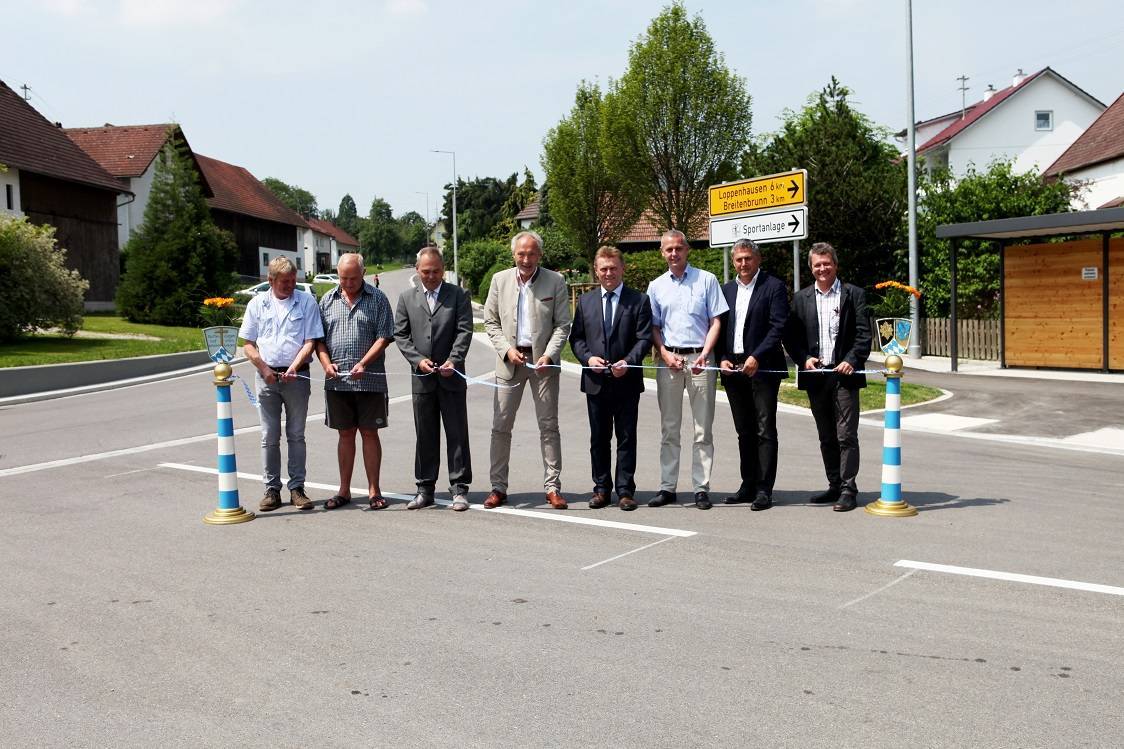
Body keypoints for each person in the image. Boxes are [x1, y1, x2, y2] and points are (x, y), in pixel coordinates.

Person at [483, 230, 572, 510]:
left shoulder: (556, 281)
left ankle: (553, 487)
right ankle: (498, 487)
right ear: (514, 255)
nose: (526, 258)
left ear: (540, 255)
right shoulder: (500, 280)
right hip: (510, 362)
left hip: (543, 364)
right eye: (521, 253)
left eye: (532, 253)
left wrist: (549, 354)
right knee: (501, 427)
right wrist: (506, 350)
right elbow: (490, 321)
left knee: (549, 427)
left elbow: (562, 325)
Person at [785, 242, 872, 512]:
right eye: (817, 265)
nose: (822, 268)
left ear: (835, 264)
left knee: (846, 434)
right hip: (816, 376)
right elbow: (791, 336)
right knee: (826, 435)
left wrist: (851, 360)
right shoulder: (801, 299)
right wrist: (803, 359)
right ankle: (834, 485)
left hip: (843, 375)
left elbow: (863, 334)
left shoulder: (853, 294)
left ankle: (848, 488)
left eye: (827, 263)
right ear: (811, 268)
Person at [647, 229, 729, 510]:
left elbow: (716, 321)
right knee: (669, 428)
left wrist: (706, 354)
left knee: (702, 429)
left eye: (678, 248)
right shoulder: (656, 286)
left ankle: (701, 488)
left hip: (701, 360)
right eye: (668, 249)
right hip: (669, 362)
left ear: (687, 250)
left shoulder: (706, 280)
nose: (674, 253)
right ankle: (667, 487)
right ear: (662, 252)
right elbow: (654, 327)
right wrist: (664, 353)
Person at [569, 246, 653, 511]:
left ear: (622, 269)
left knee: (627, 438)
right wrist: (587, 359)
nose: (608, 273)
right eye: (603, 268)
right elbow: (577, 338)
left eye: (613, 268)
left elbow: (644, 338)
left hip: (626, 381)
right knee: (599, 439)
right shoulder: (585, 301)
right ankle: (602, 489)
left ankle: (626, 491)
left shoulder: (639, 300)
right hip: (596, 383)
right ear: (596, 270)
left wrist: (628, 362)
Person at [238, 256, 324, 512]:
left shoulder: (306, 301)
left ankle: (297, 488)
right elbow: (248, 345)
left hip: (297, 377)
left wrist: (294, 367)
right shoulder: (257, 304)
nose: (290, 285)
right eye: (284, 281)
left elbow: (310, 341)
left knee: (296, 434)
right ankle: (271, 490)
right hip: (266, 378)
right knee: (269, 435)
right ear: (270, 280)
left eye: (293, 280)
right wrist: (264, 368)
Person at [394, 246, 474, 512]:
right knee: (425, 435)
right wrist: (418, 360)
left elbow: (464, 330)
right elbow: (401, 335)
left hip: (451, 377)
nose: (431, 276)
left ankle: (459, 489)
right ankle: (424, 488)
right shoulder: (406, 298)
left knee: (457, 434)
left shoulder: (458, 295)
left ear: (443, 270)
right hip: (422, 379)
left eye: (436, 271)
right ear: (417, 271)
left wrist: (455, 359)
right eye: (426, 271)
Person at [315, 252, 395, 511]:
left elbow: (384, 337)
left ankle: (374, 490)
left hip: (369, 380)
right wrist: (326, 364)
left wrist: (364, 363)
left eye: (353, 278)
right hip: (338, 383)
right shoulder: (327, 300)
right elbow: (319, 340)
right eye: (343, 278)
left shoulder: (378, 299)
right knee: (345, 434)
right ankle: (344, 490)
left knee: (370, 433)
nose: (348, 283)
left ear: (363, 273)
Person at [717, 239, 790, 511]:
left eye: (748, 258)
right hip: (733, 369)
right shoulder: (726, 291)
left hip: (763, 367)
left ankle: (763, 489)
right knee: (743, 431)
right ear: (733, 261)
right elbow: (719, 327)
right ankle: (747, 485)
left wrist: (756, 356)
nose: (743, 264)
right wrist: (723, 357)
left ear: (757, 259)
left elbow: (777, 326)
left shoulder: (774, 287)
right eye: (739, 259)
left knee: (764, 429)